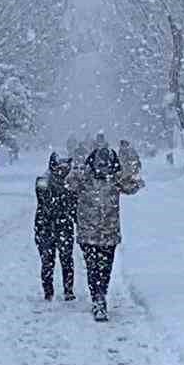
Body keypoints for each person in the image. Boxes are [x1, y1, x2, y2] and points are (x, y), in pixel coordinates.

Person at [67, 134, 143, 322]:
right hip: (89, 233)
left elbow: (131, 186)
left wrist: (133, 174)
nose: (103, 167)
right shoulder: (84, 178)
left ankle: (101, 294)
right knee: (93, 267)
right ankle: (98, 298)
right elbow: (69, 183)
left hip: (108, 233)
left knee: (105, 267)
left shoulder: (115, 179)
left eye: (106, 163)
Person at [35, 152, 77, 301]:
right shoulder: (43, 181)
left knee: (66, 259)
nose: (63, 170)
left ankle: (68, 290)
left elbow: (74, 207)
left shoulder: (71, 184)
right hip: (45, 226)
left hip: (64, 225)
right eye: (60, 167)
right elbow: (45, 202)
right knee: (47, 260)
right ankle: (48, 291)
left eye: (66, 167)